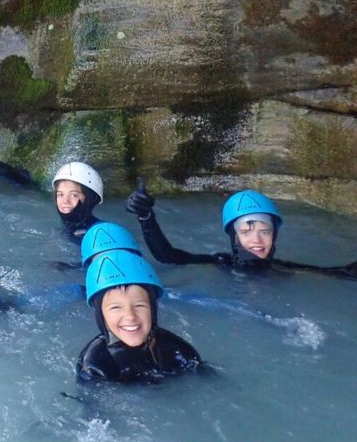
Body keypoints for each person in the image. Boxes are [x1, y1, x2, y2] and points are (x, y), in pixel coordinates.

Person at [125, 182, 357, 279]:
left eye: (265, 232)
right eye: (246, 232)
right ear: (234, 236)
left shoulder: (284, 268)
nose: (257, 240)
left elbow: (338, 273)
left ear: (274, 235)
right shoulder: (221, 263)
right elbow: (168, 256)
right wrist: (146, 217)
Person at [77, 249, 203, 383]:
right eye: (116, 308)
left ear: (152, 309)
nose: (130, 316)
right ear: (101, 315)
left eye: (139, 305)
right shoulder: (95, 364)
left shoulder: (177, 350)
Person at [53, 161, 105, 238]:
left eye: (74, 195)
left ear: (91, 198)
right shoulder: (66, 225)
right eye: (61, 195)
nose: (65, 201)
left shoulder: (102, 233)